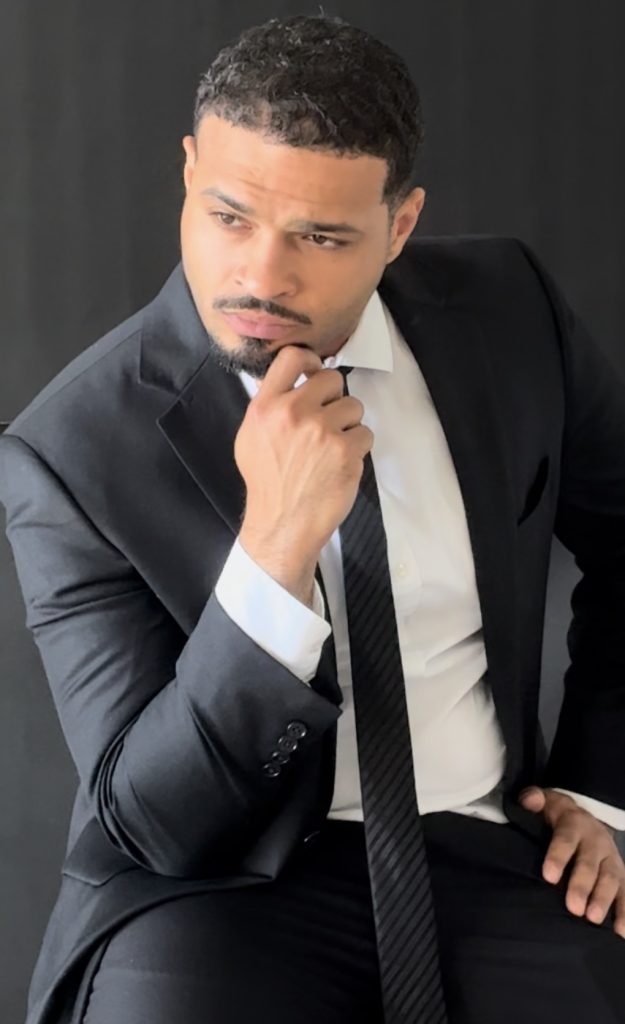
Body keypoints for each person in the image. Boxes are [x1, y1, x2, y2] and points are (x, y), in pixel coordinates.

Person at [1, 11, 625, 1024]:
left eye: (321, 237)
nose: (260, 276)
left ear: (399, 225)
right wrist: (273, 550)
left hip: (493, 845)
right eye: (229, 215)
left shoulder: (511, 312)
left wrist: (601, 795)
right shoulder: (71, 450)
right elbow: (155, 823)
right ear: (189, 170)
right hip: (222, 882)